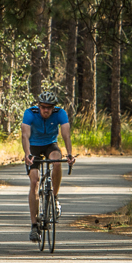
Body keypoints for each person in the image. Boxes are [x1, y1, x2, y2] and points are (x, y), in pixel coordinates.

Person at [21, 90, 75, 242]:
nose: (46, 110)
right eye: (43, 107)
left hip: (51, 144)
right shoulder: (30, 113)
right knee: (34, 181)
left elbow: (66, 134)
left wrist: (70, 154)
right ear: (38, 106)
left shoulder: (60, 113)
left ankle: (55, 198)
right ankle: (34, 225)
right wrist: (27, 153)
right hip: (34, 146)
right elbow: (25, 135)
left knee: (57, 163)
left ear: (54, 108)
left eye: (49, 107)